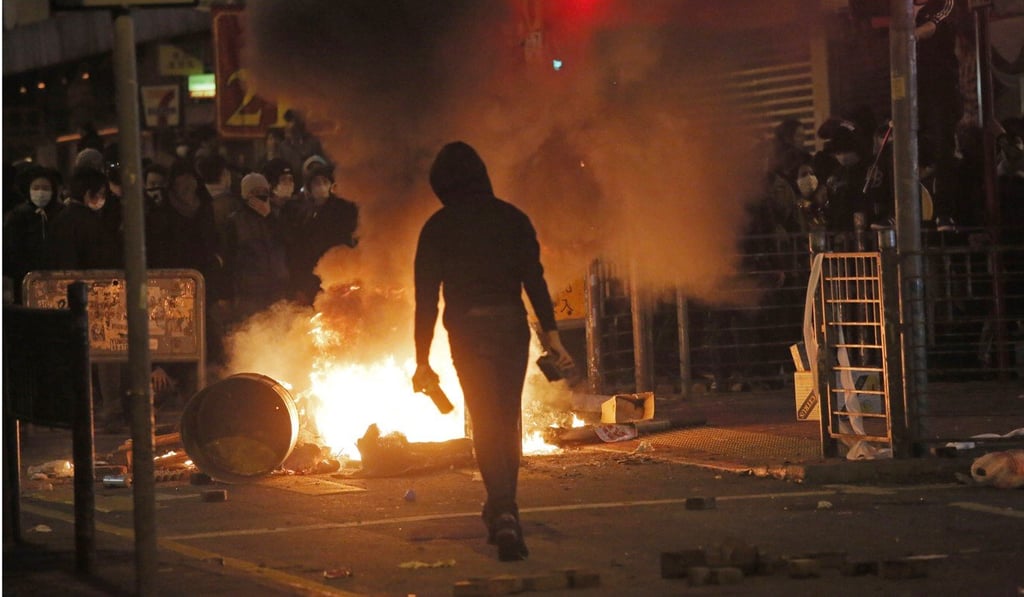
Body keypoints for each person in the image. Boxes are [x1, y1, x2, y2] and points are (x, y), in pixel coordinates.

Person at [412, 141, 574, 562]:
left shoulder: (437, 227)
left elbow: (426, 300)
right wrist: (552, 337)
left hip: (466, 329)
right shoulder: (512, 219)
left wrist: (422, 359)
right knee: (506, 418)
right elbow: (534, 281)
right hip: (510, 326)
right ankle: (504, 508)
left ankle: (502, 510)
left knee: (484, 419)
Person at [915, 0, 961, 232]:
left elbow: (932, 27)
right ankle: (898, 211)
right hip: (911, 92)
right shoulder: (897, 9)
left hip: (940, 91)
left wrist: (906, 35)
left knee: (943, 149)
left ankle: (944, 213)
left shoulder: (944, 3)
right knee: (903, 148)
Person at [224, 172, 290, 321]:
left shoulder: (276, 216)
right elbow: (230, 258)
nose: (261, 196)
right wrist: (228, 293)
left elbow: (288, 242)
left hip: (278, 289)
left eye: (264, 192)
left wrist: (270, 218)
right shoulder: (236, 221)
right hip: (249, 292)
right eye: (255, 193)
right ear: (246, 195)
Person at [290, 161, 358, 304]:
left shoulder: (341, 210)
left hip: (338, 275)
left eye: (324, 181)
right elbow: (299, 251)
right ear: (309, 188)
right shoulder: (304, 215)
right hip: (312, 279)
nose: (320, 186)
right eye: (316, 183)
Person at [3, 165, 63, 303]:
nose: (40, 192)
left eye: (45, 188)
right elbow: (11, 250)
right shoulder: (17, 216)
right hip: (24, 283)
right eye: (36, 188)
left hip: (56, 283)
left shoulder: (61, 214)